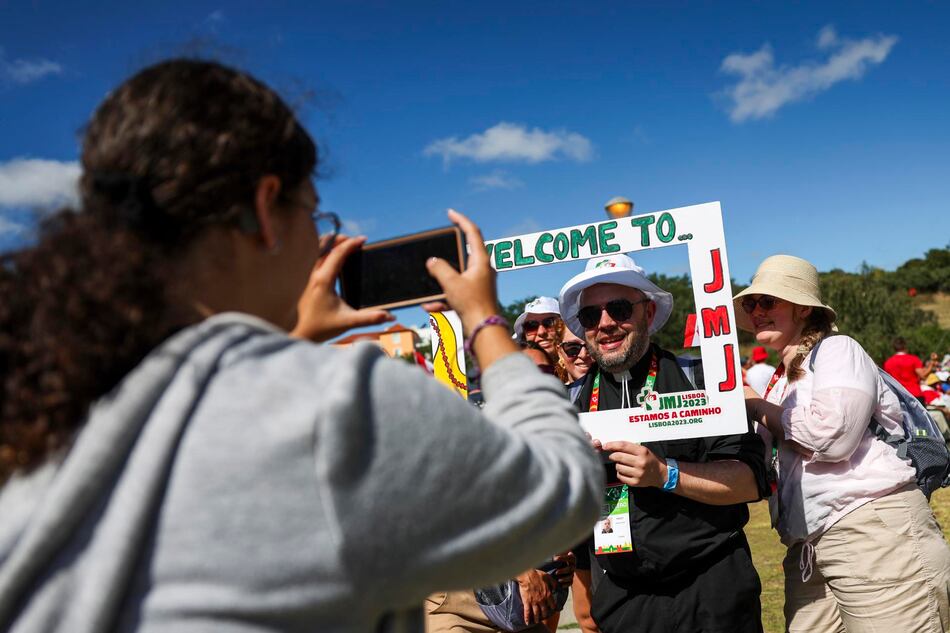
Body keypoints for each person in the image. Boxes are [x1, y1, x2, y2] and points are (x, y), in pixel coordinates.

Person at [0, 59, 604, 633]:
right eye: (315, 212)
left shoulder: (44, 403)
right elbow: (562, 495)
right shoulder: (340, 406)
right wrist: (484, 321)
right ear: (266, 208)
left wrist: (296, 334)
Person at [558, 253, 770, 633]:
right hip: (624, 600)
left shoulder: (701, 380)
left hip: (710, 590)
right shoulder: (568, 403)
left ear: (649, 313)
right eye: (591, 316)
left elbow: (750, 480)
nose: (605, 324)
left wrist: (666, 474)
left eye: (619, 309)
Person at [739, 255, 950, 633]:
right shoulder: (779, 380)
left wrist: (754, 404)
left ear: (803, 307)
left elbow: (831, 436)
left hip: (875, 535)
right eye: (751, 303)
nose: (756, 311)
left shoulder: (837, 349)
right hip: (808, 547)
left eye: (768, 301)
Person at [883, 337, 939, 406]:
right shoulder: (913, 359)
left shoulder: (888, 363)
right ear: (905, 346)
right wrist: (932, 363)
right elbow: (923, 375)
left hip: (897, 396)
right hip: (914, 395)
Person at [557, 329, 593, 402]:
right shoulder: (552, 398)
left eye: (590, 347)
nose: (583, 355)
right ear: (560, 353)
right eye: (573, 348)